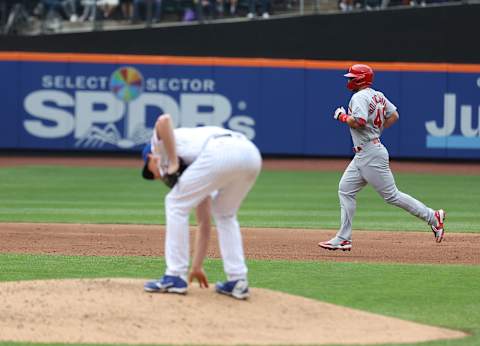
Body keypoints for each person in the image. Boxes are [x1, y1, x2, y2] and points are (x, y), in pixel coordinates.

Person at [318, 64, 445, 252]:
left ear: (361, 79)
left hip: (370, 153)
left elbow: (359, 121)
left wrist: (341, 116)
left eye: (352, 77)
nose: (349, 80)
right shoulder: (377, 95)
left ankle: (433, 217)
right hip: (365, 152)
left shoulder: (359, 97)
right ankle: (344, 238)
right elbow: (394, 115)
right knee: (345, 190)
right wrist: (377, 130)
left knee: (392, 195)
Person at [142, 114, 262, 299]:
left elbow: (164, 120)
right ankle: (238, 280)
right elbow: (204, 222)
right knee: (224, 214)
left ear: (151, 157)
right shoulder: (196, 167)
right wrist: (196, 266)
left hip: (220, 151)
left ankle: (174, 276)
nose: (155, 177)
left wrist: (172, 160)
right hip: (250, 153)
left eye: (148, 171)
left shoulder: (158, 148)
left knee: (174, 203)